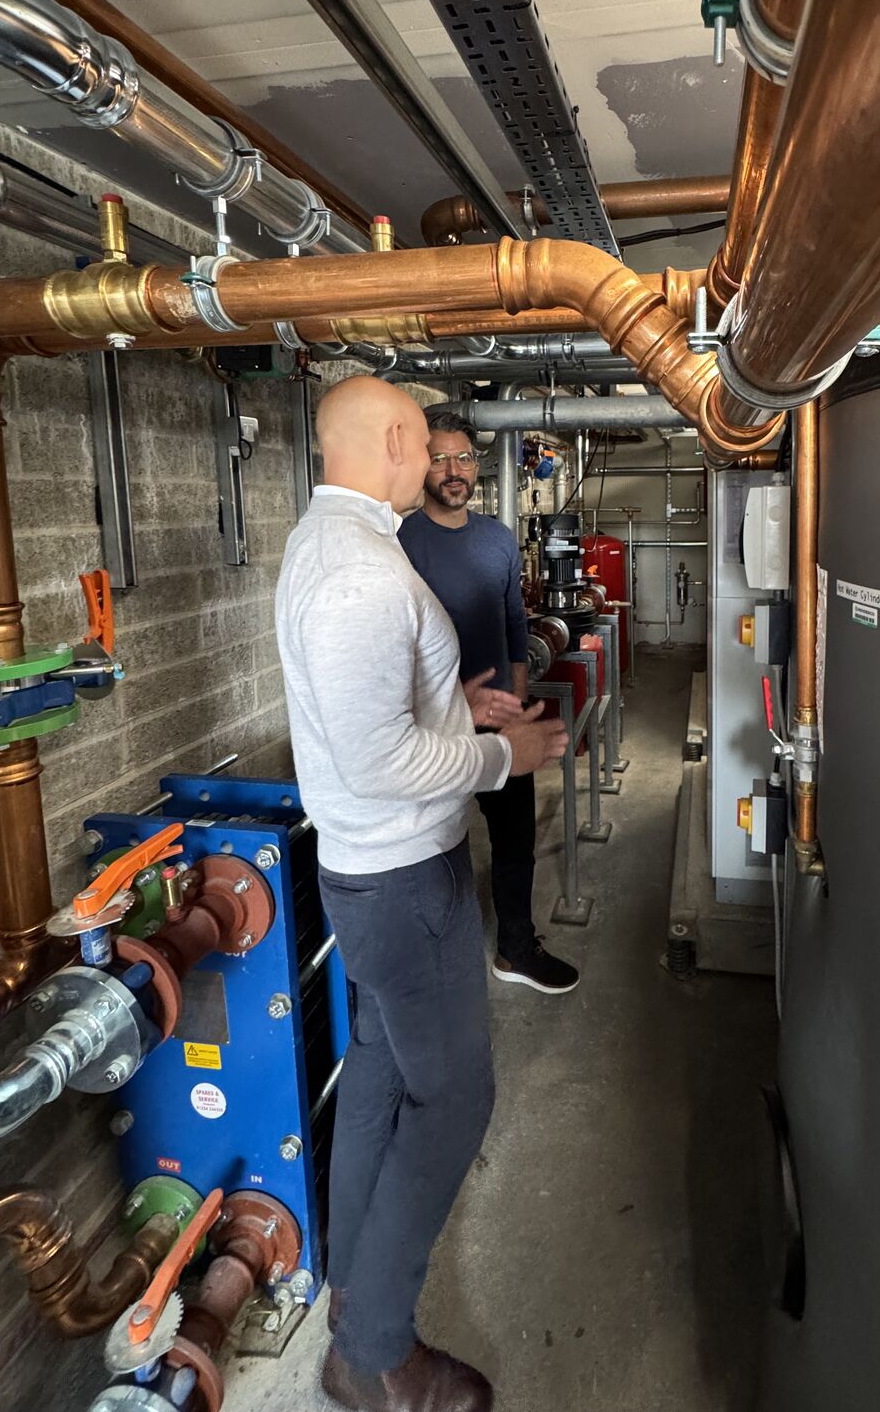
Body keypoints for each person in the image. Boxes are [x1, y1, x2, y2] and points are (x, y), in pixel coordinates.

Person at [275, 376, 567, 1412]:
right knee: (454, 1098)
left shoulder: (342, 545)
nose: (438, 453)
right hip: (402, 879)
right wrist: (499, 752)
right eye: (426, 438)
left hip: (374, 873)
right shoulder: (358, 575)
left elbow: (392, 714)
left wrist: (460, 703)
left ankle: (354, 1289)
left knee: (383, 1072)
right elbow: (374, 758)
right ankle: (374, 1351)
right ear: (399, 438)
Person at [399, 412, 579, 995]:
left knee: (514, 842)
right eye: (440, 459)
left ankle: (516, 948)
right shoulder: (401, 544)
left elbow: (512, 624)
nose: (454, 471)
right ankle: (429, 962)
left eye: (464, 459)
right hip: (436, 725)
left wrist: (518, 699)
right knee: (430, 843)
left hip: (500, 718)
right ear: (422, 466)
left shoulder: (498, 538)